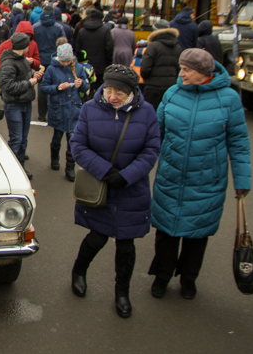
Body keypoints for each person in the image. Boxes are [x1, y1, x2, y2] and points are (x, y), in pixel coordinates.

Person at [148, 48, 251, 300]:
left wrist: (242, 180)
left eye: (186, 70)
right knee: (166, 233)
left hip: (207, 180)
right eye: (181, 68)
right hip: (170, 176)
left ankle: (188, 279)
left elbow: (239, 142)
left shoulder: (229, 99)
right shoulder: (172, 94)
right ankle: (162, 276)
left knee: (197, 235)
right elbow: (155, 134)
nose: (180, 73)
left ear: (204, 73)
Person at [69, 65, 161, 318]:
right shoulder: (89, 108)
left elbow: (151, 150)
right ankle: (79, 271)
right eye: (109, 89)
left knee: (126, 245)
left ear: (132, 92)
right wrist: (105, 171)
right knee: (96, 237)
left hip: (131, 189)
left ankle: (122, 292)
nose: (112, 96)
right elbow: (77, 144)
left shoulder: (147, 112)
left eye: (119, 92)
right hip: (100, 186)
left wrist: (127, 176)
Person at [40, 44, 89, 181]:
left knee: (72, 140)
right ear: (58, 59)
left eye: (68, 61)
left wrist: (82, 85)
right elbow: (43, 88)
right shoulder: (51, 69)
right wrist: (57, 87)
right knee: (57, 138)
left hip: (74, 109)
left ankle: (70, 167)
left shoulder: (79, 68)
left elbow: (86, 88)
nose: (66, 64)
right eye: (63, 61)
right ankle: (54, 158)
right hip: (59, 109)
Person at [0, 33, 43, 179]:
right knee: (16, 140)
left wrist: (33, 77)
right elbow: (7, 86)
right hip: (14, 105)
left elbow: (22, 78)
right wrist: (29, 83)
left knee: (23, 139)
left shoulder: (23, 59)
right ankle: (10, 171)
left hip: (25, 103)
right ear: (23, 46)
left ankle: (21, 168)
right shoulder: (8, 63)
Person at [140, 20, 181, 110]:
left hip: (153, 87)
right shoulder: (177, 47)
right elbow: (179, 68)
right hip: (171, 86)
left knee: (150, 112)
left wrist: (146, 78)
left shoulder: (153, 46)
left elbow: (145, 68)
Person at [33, 5, 64, 121]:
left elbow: (32, 44)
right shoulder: (58, 27)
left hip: (40, 60)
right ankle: (53, 112)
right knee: (54, 86)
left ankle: (42, 114)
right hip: (54, 60)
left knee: (41, 85)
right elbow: (63, 45)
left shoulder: (35, 27)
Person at [74, 8, 113, 96]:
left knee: (86, 88)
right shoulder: (105, 31)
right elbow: (109, 49)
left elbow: (78, 48)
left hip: (85, 65)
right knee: (100, 88)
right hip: (101, 65)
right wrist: (109, 64)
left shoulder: (82, 31)